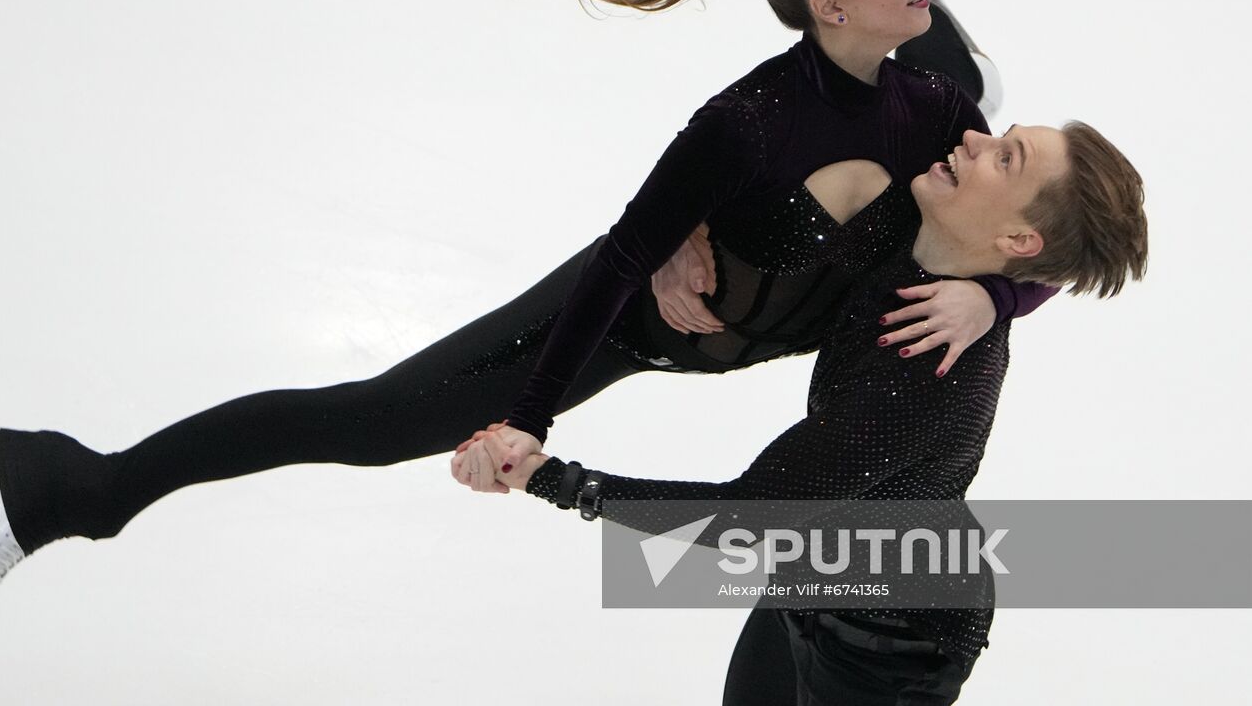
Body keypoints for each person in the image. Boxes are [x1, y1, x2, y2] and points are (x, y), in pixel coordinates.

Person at [0, 0, 1048, 602]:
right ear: (824, 4)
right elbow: (621, 256)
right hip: (632, 328)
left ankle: (75, 486)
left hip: (746, 335)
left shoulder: (947, 110)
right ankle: (68, 486)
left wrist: (991, 299)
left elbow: (1052, 235)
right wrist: (529, 420)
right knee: (371, 421)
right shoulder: (747, 123)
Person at [460, 120, 1149, 705]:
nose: (970, 136)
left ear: (1017, 242)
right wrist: (999, 296)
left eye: (1005, 157)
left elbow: (751, 518)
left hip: (896, 638)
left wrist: (549, 478)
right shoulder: (918, 226)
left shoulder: (924, 378)